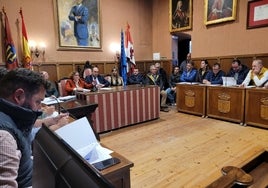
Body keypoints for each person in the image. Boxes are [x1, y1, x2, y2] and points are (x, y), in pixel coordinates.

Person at [0, 68, 49, 187]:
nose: (40, 108)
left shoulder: (11, 117)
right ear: (19, 96)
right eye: (38, 101)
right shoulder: (4, 137)